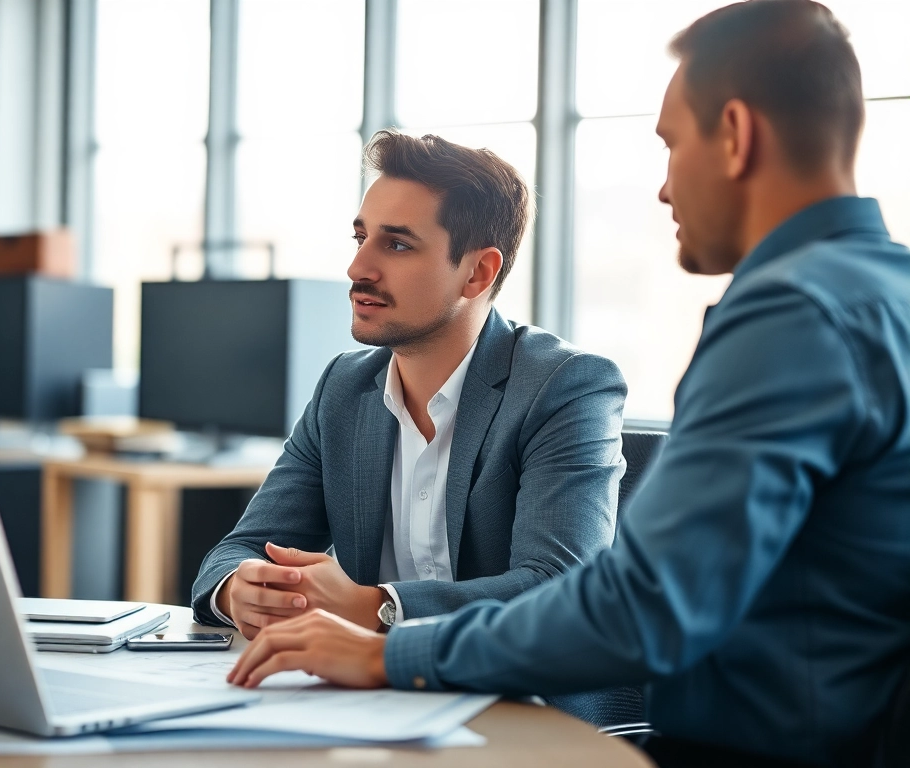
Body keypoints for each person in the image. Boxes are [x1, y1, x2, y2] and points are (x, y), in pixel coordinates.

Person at [227, 2, 910, 765]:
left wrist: (385, 649)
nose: (661, 188)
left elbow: (643, 605)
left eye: (671, 144)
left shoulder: (791, 314)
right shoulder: (887, 294)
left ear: (736, 135)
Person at [191, 130, 627, 646]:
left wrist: (376, 607)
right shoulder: (344, 388)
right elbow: (239, 550)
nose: (357, 269)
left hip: (517, 701)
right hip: (363, 696)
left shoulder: (565, 386)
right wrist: (240, 587)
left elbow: (562, 589)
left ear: (478, 272)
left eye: (397, 244)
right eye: (361, 238)